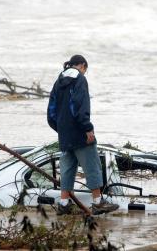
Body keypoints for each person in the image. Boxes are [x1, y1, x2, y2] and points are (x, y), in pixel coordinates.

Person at [47, 55, 119, 215]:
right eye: (85, 70)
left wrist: (62, 130)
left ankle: (64, 204)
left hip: (65, 135)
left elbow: (51, 113)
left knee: (67, 168)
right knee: (92, 166)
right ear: (83, 66)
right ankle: (98, 202)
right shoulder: (80, 80)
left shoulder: (58, 82)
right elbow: (80, 107)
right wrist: (87, 128)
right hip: (80, 132)